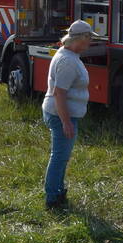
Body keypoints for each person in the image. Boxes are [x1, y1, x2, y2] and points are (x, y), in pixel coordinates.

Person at [42, 20, 93, 209]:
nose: (91, 42)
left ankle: (58, 191)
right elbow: (59, 93)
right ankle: (52, 198)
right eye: (89, 38)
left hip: (64, 114)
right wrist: (66, 122)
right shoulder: (67, 61)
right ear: (81, 38)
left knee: (62, 155)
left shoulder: (71, 55)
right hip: (60, 115)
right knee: (59, 156)